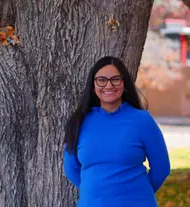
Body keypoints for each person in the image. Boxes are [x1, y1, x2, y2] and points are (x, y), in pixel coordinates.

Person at [64, 56, 170, 207]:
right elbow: (71, 169)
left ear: (124, 84)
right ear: (93, 87)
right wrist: (97, 194)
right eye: (101, 80)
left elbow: (162, 168)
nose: (108, 85)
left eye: (115, 79)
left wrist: (138, 195)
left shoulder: (142, 121)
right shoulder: (78, 122)